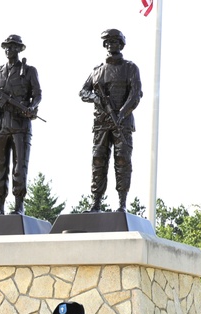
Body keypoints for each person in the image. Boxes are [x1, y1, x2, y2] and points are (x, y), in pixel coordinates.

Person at [78, 28, 142, 212]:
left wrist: (121, 114)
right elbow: (83, 91)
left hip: (122, 123)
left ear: (121, 44)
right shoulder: (97, 71)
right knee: (98, 160)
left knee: (122, 160)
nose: (111, 44)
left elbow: (135, 94)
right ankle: (96, 203)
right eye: (108, 42)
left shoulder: (130, 68)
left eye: (115, 41)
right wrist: (95, 98)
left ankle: (122, 204)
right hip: (101, 123)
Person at [0, 34, 41, 216]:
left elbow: (38, 94)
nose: (9, 50)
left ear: (19, 49)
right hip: (0, 125)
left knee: (19, 166)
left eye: (13, 47)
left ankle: (18, 206)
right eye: (7, 47)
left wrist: (31, 107)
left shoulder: (29, 71)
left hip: (20, 125)